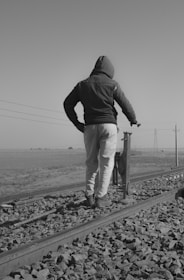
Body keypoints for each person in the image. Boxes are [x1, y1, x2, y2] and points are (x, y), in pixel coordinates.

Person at [64, 56, 138, 208]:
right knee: (106, 162)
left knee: (91, 162)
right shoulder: (112, 84)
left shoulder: (82, 85)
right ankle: (101, 197)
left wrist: (77, 123)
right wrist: (133, 119)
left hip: (90, 127)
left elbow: (67, 104)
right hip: (108, 125)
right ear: (110, 71)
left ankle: (90, 195)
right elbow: (124, 104)